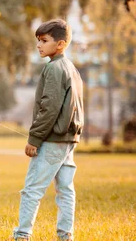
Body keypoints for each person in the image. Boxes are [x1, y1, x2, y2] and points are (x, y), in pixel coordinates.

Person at [13, 19, 84, 241]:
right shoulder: (70, 67)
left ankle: (22, 235)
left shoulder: (54, 68)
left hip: (53, 140)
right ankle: (65, 236)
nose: (39, 45)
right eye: (38, 41)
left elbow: (49, 107)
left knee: (32, 189)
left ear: (60, 44)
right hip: (68, 140)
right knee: (65, 190)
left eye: (44, 41)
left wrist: (34, 139)